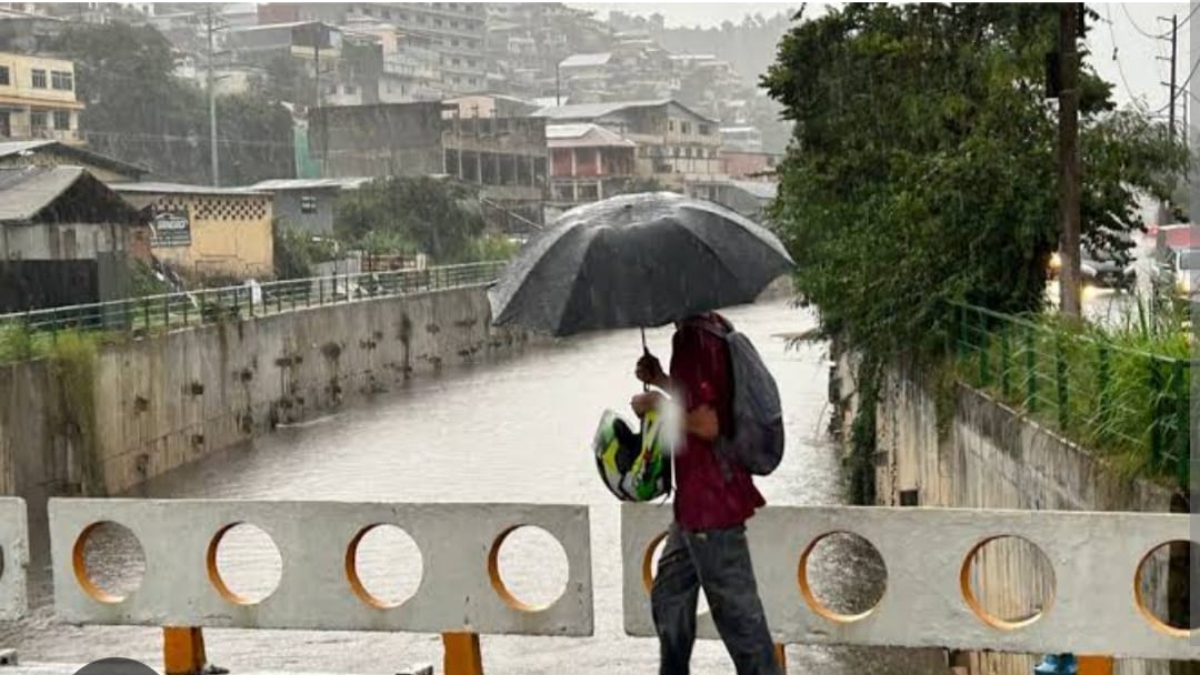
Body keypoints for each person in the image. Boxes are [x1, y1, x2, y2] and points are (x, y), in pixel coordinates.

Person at [630, 312, 781, 675]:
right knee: (669, 595)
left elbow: (707, 424)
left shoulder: (692, 341)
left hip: (711, 504)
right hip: (697, 505)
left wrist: (657, 407)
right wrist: (663, 380)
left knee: (740, 621)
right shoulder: (713, 326)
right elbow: (707, 400)